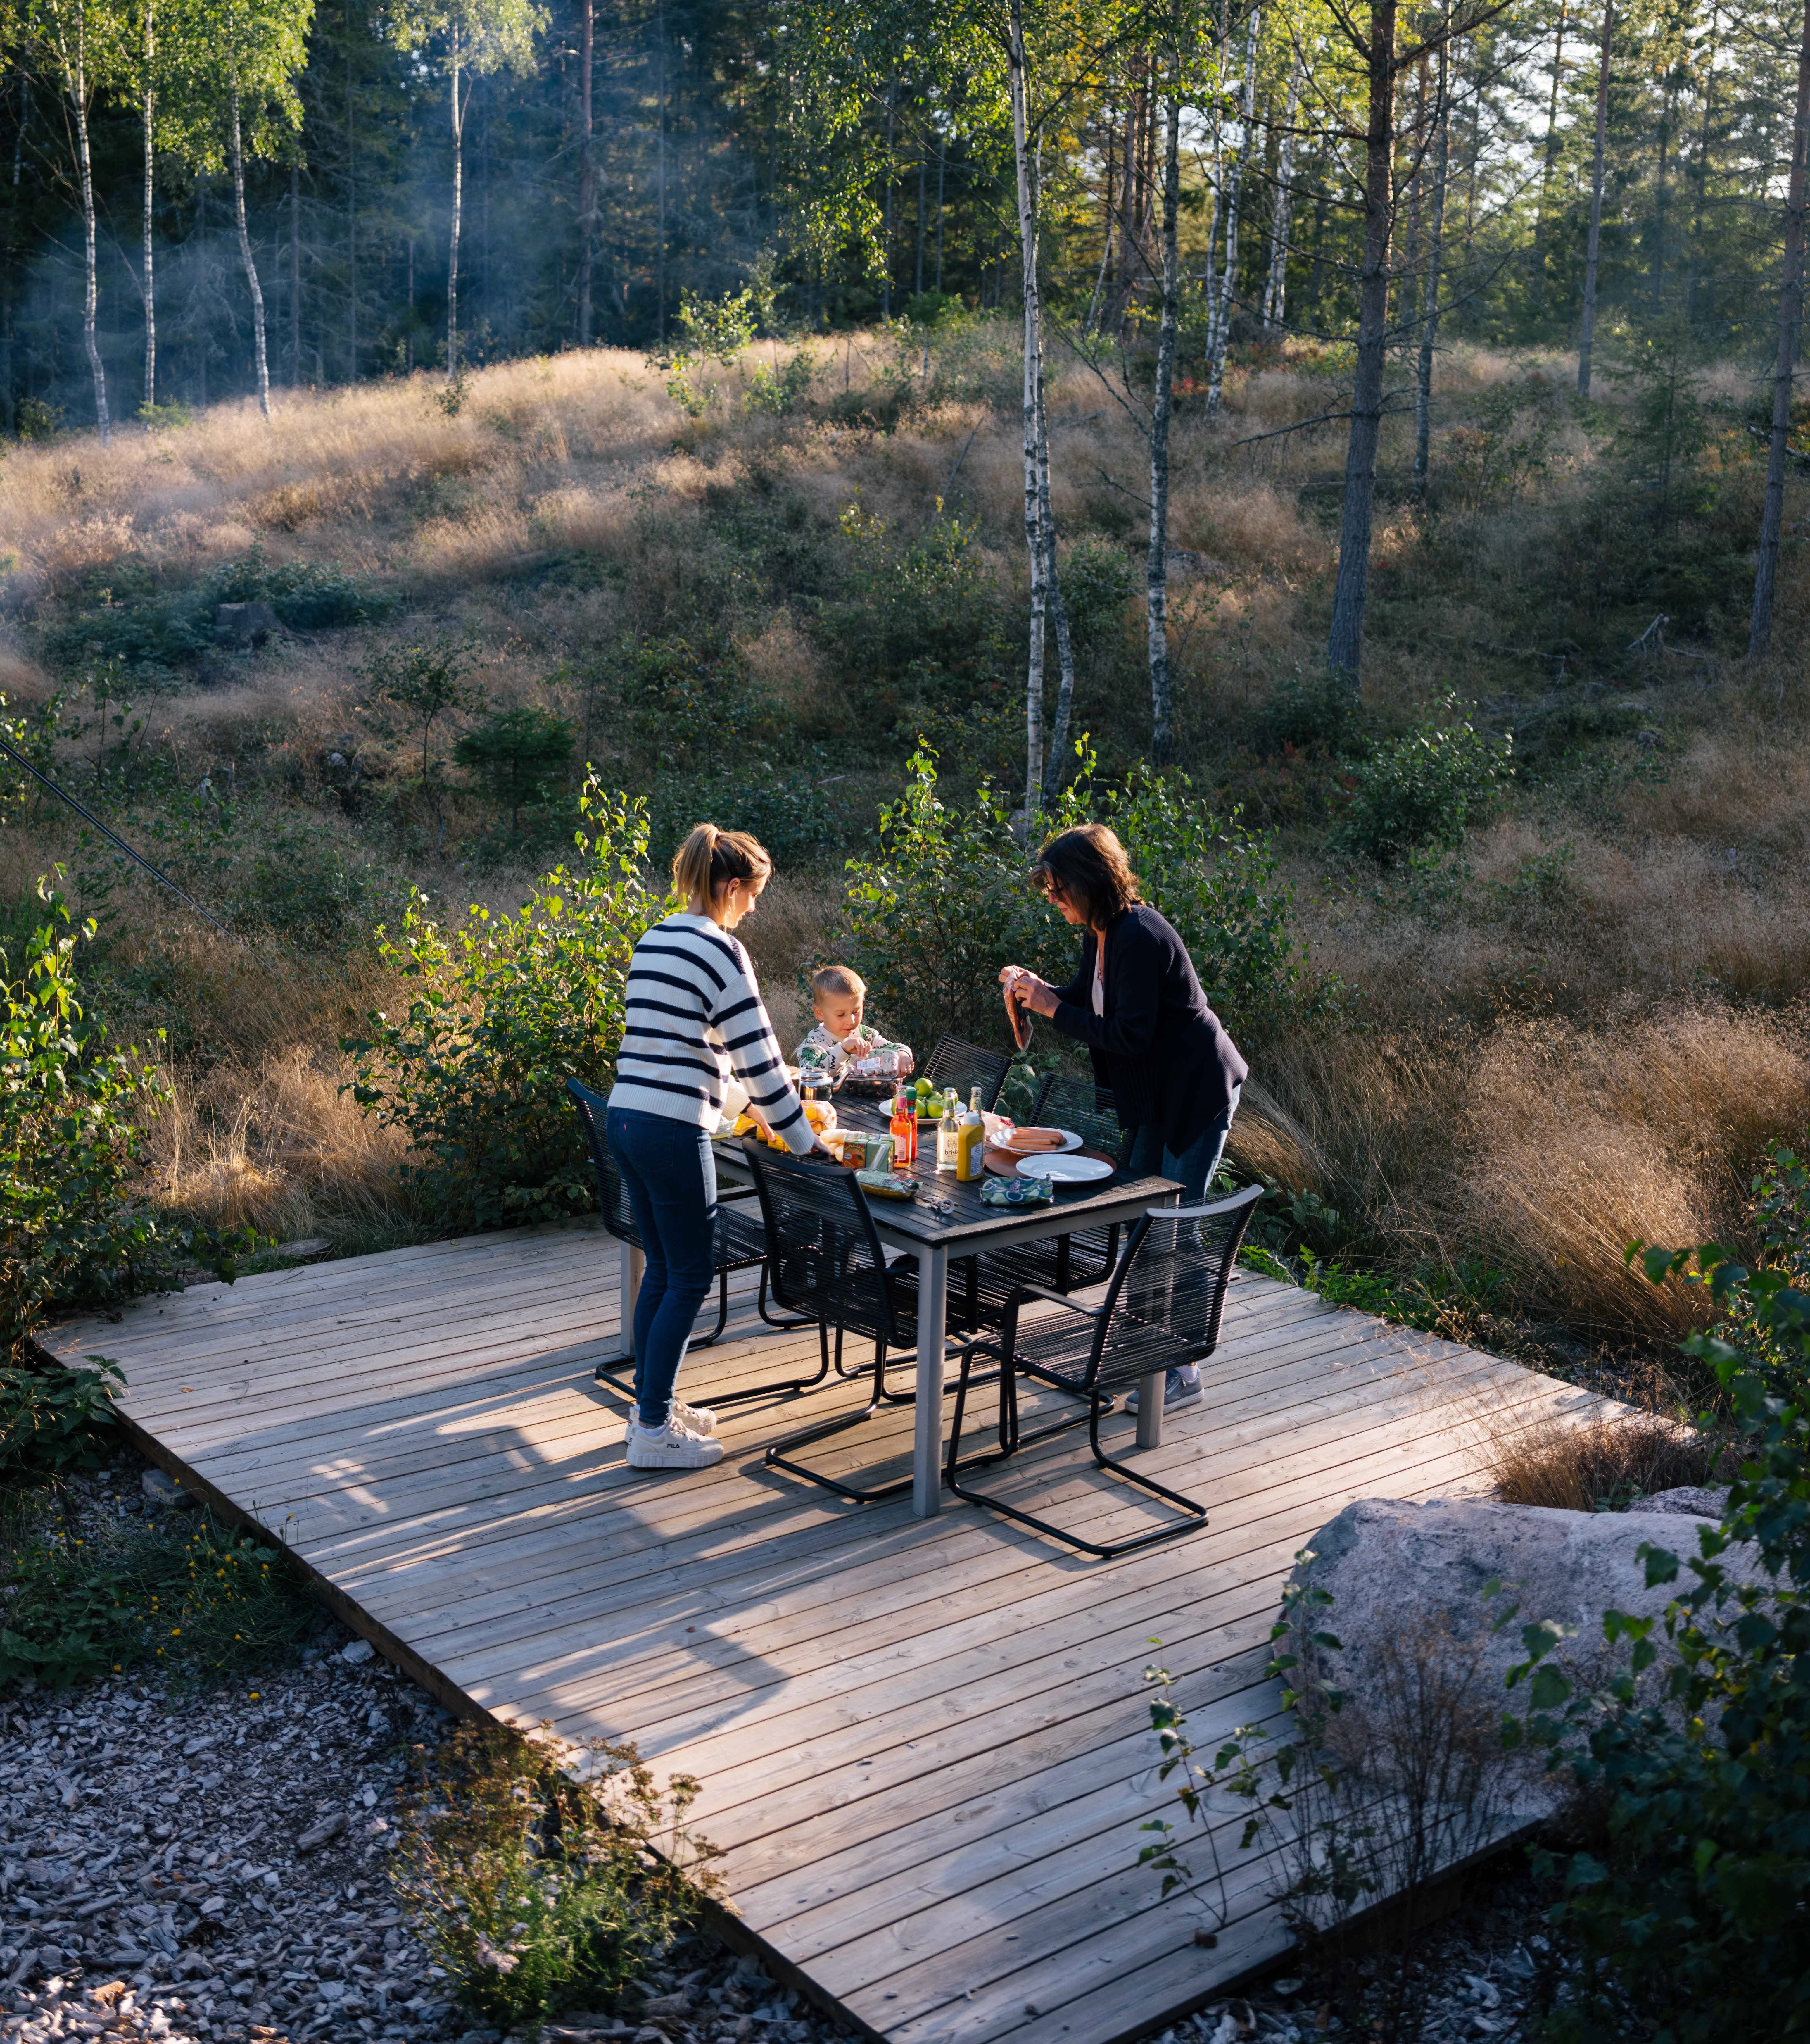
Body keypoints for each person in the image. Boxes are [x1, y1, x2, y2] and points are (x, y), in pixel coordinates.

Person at [998, 822, 1248, 1416]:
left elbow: (1130, 1037)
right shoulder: (1103, 931)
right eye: (1049, 889)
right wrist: (1040, 990)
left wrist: (1053, 1007)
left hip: (1194, 1092)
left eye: (1060, 889)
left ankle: (1182, 1369)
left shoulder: (1138, 932)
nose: (1053, 899)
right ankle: (1138, 1347)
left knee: (1174, 1226)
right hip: (1154, 1094)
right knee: (1140, 1217)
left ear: (1090, 882)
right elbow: (1089, 1002)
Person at [607, 823, 822, 1470]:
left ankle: (654, 1403)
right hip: (672, 1129)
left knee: (664, 1272)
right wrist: (806, 1143)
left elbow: (683, 1045)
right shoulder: (721, 950)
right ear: (731, 888)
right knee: (692, 1274)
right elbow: (762, 1060)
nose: (756, 907)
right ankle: (652, 1434)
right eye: (754, 894)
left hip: (627, 1118)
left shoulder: (656, 936)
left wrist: (738, 1104)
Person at [793, 965, 913, 1088]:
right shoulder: (813, 1043)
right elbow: (807, 1075)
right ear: (820, 1013)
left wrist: (903, 1056)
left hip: (867, 1105)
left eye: (856, 1012)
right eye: (841, 1014)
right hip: (829, 1105)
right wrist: (843, 1050)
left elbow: (896, 1048)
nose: (851, 1021)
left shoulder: (866, 1035)